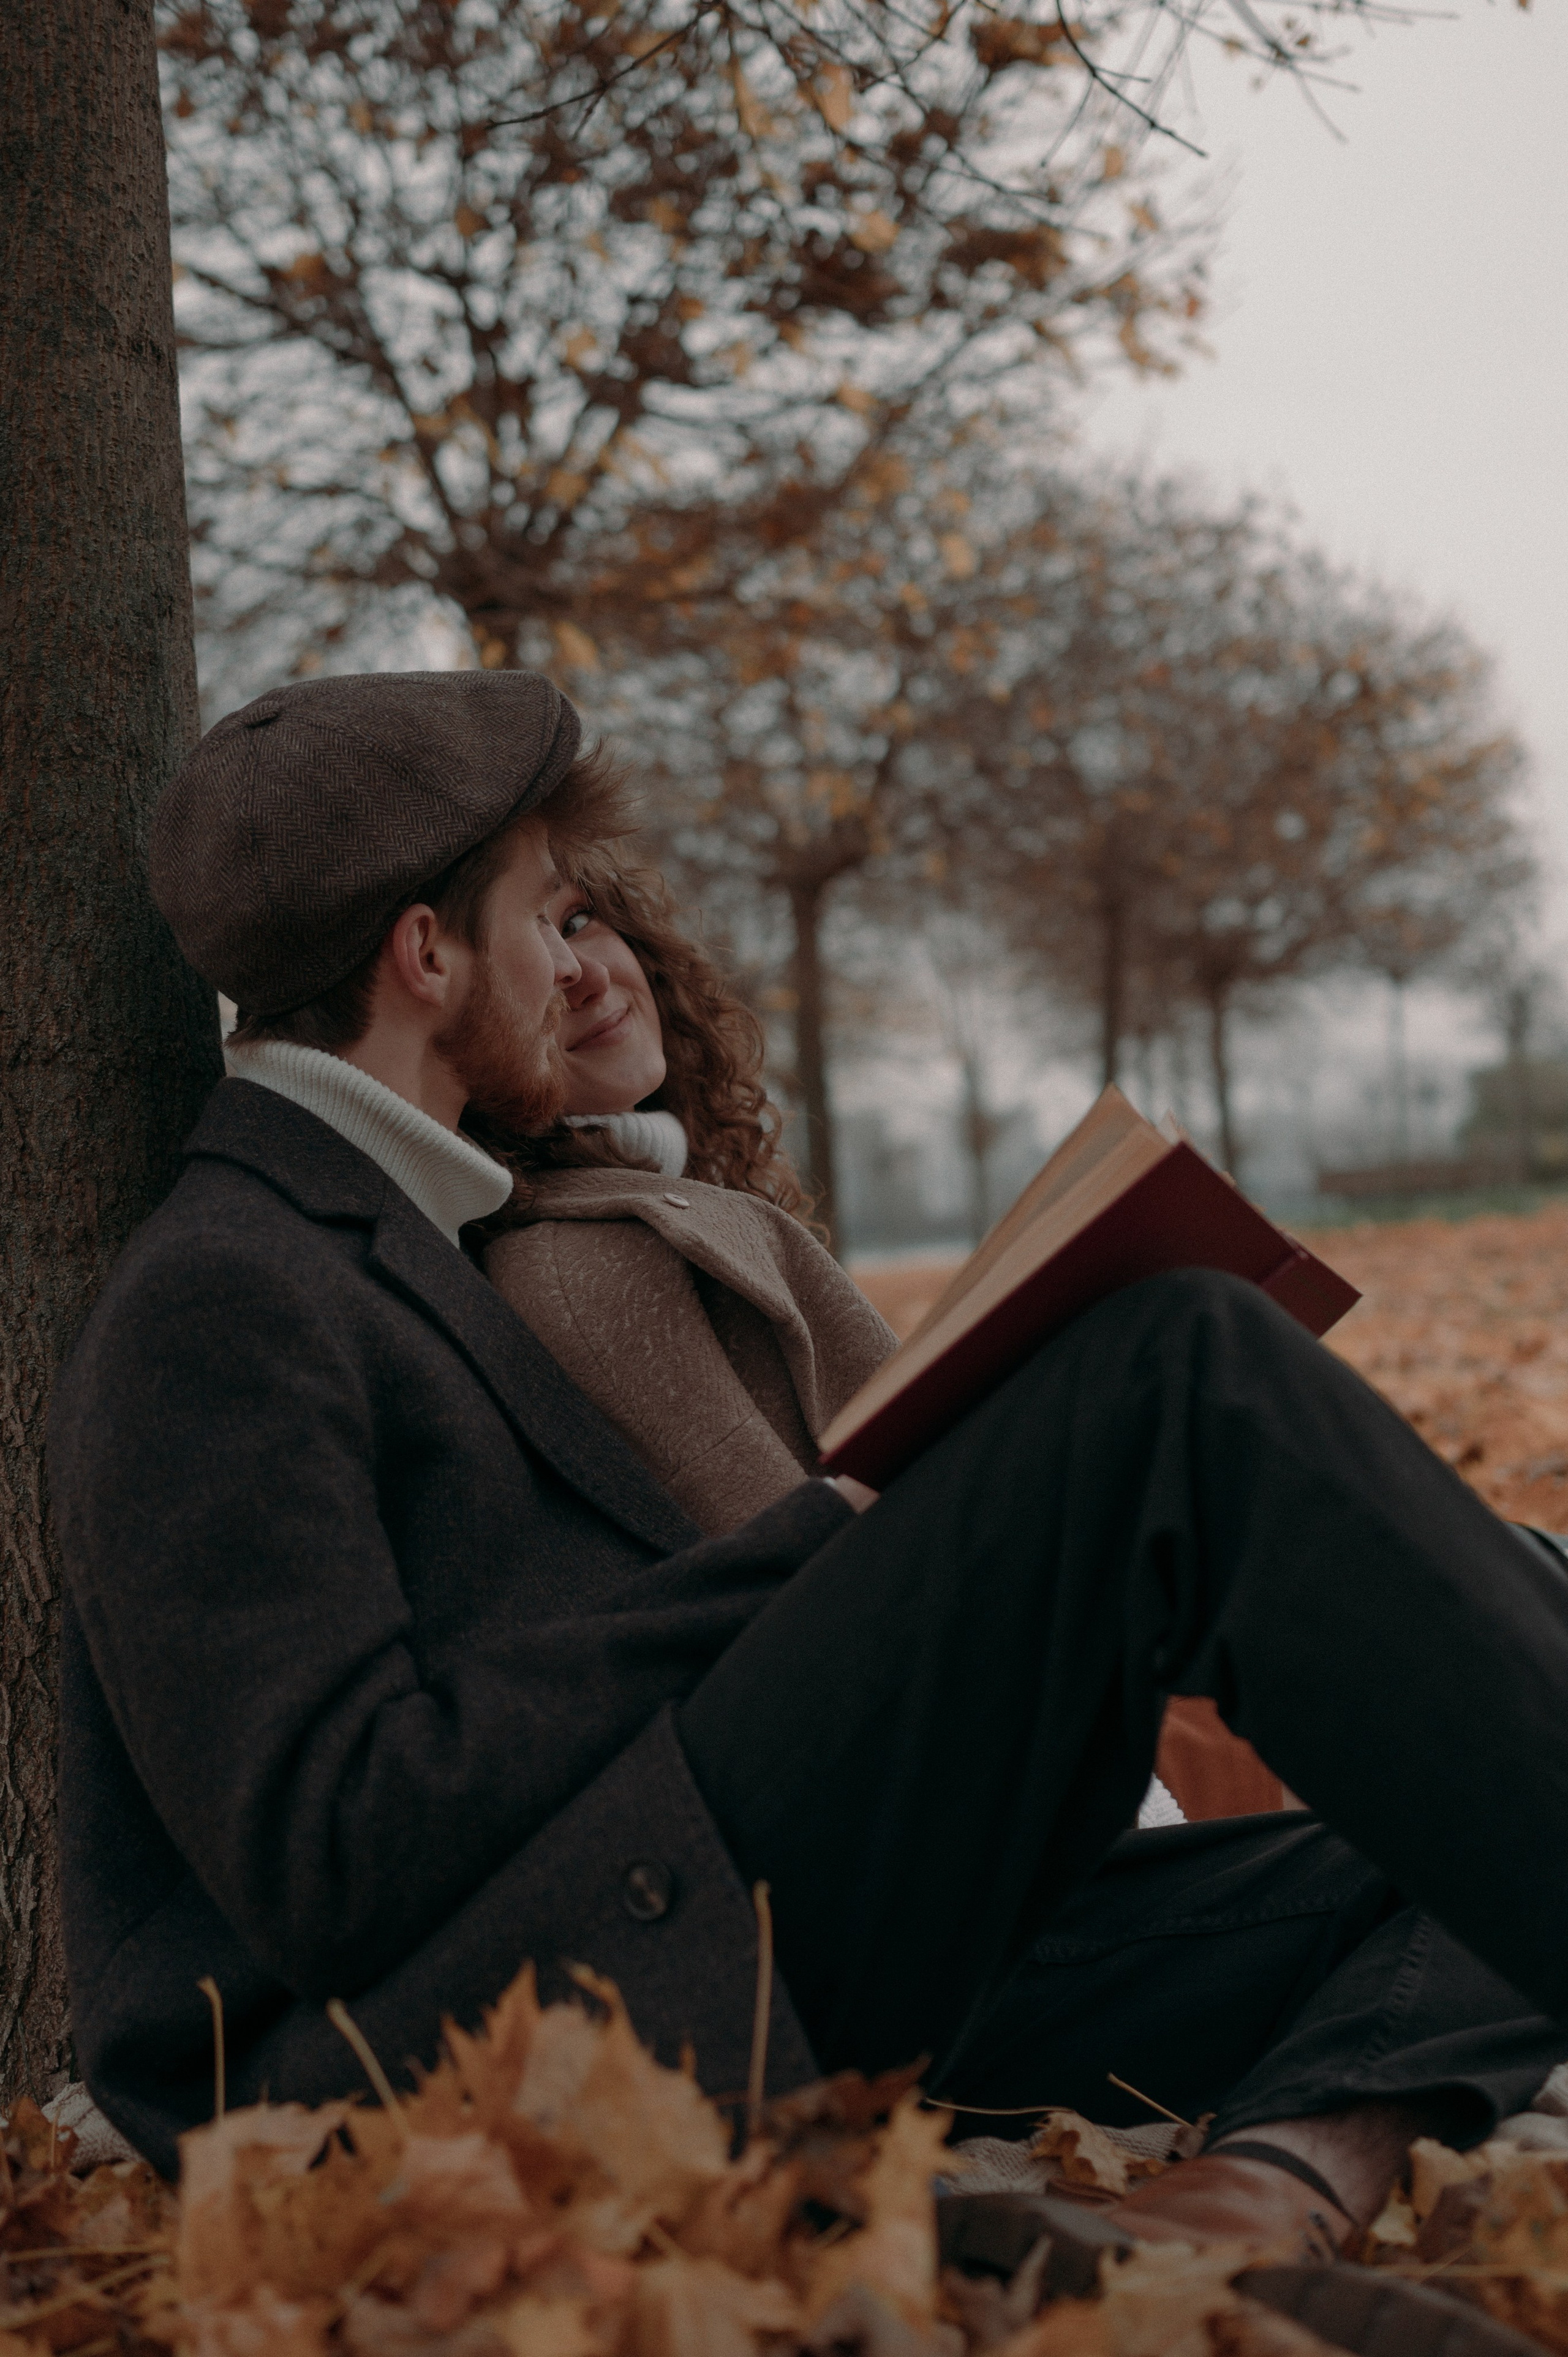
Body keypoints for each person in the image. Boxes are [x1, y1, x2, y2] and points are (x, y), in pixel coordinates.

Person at [47, 671, 1568, 2274]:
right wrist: (821, 1552)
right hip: (460, 2067)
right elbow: (332, 1845)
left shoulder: (397, 1243)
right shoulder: (225, 1294)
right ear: (427, 956)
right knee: (1177, 1367)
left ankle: (1294, 2165)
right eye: (543, 922)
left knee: (1442, 1782)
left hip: (670, 1938)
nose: (569, 967)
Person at [475, 849, 897, 1536]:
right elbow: (795, 1562)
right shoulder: (582, 1264)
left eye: (579, 919)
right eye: (526, 944)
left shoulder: (674, 1180)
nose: (584, 976)